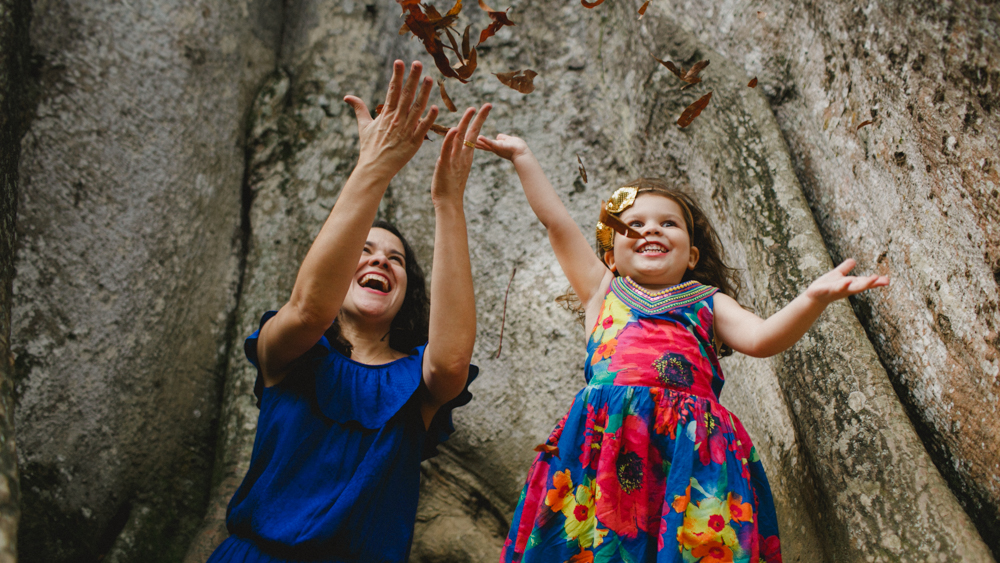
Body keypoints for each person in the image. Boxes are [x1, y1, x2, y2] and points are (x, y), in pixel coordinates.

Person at [475, 134, 889, 562]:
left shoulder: (708, 302)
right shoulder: (603, 293)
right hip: (603, 447)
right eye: (633, 225)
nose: (650, 228)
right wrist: (523, 157)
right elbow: (557, 224)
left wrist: (813, 298)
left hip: (692, 453)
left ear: (691, 255)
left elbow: (764, 339)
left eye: (668, 223)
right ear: (611, 256)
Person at [206, 60, 492, 563]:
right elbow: (310, 309)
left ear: (407, 292)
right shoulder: (289, 349)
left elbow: (450, 362)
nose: (380, 258)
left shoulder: (421, 381)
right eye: (364, 249)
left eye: (395, 259)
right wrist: (374, 167)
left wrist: (449, 202)